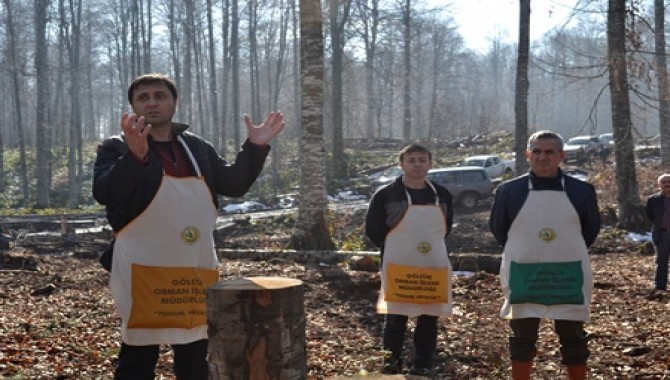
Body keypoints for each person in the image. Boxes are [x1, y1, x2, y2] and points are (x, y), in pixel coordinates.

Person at [93, 73, 285, 380]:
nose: (152, 102)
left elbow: (233, 184)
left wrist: (255, 148)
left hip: (192, 268)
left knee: (194, 352)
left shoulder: (196, 147)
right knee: (138, 354)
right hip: (141, 270)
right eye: (143, 97)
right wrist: (135, 155)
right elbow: (106, 192)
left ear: (174, 103)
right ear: (133, 106)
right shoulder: (116, 147)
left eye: (160, 95)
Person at [489, 130, 600, 380]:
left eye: (549, 152)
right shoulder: (508, 191)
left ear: (561, 155)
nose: (542, 157)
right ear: (528, 155)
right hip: (523, 274)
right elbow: (499, 229)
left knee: (573, 337)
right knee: (522, 337)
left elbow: (590, 231)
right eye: (537, 152)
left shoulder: (582, 191)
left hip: (568, 276)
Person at [365, 143, 454, 376]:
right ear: (401, 164)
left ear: (430, 163)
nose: (417, 165)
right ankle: (391, 363)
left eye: (422, 160)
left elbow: (446, 229)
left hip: (432, 265)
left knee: (429, 317)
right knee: (395, 317)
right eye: (412, 160)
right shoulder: (385, 195)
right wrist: (396, 248)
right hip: (398, 266)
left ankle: (423, 364)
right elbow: (374, 230)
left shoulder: (441, 194)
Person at [644, 173, 670, 300]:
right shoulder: (653, 200)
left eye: (669, 181)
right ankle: (660, 288)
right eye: (664, 182)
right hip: (662, 234)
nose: (667, 184)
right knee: (661, 262)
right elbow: (650, 215)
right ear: (659, 184)